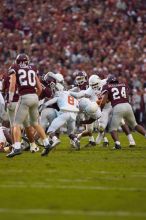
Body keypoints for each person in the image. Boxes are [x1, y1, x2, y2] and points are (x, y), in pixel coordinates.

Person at [6, 53, 51, 157]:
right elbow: (39, 87)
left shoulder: (14, 67)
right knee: (35, 123)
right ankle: (47, 143)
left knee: (16, 123)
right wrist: (35, 97)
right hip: (34, 97)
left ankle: (17, 147)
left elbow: (12, 85)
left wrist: (9, 99)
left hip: (24, 97)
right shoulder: (32, 69)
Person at [101, 75, 146, 149]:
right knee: (135, 125)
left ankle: (117, 144)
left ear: (109, 81)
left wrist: (101, 109)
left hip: (118, 107)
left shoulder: (107, 86)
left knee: (112, 129)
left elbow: (103, 102)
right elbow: (127, 97)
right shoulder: (123, 85)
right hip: (127, 105)